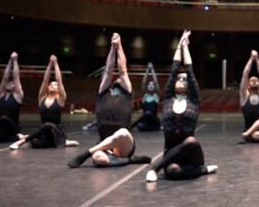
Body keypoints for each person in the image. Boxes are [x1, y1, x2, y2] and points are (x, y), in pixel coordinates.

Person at [67, 33, 150, 168]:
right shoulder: (102, 94)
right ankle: (129, 160)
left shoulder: (127, 95)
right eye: (115, 80)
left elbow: (122, 70)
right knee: (98, 158)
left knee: (122, 133)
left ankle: (85, 154)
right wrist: (112, 47)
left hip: (124, 144)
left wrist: (119, 45)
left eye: (120, 80)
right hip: (105, 142)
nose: (118, 79)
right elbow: (108, 71)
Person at [145, 30, 217, 182]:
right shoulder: (168, 99)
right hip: (171, 153)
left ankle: (154, 168)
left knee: (190, 141)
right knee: (173, 172)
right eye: (179, 79)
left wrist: (186, 48)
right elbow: (174, 70)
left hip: (193, 155)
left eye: (184, 80)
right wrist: (180, 45)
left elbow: (189, 71)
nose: (180, 80)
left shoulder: (194, 101)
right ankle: (201, 171)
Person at [10, 55, 79, 149]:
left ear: (59, 89)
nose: (51, 85)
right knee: (35, 143)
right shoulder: (42, 98)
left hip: (57, 131)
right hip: (45, 132)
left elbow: (59, 80)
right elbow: (45, 80)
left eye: (54, 85)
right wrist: (49, 65)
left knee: (48, 125)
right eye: (50, 84)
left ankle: (21, 142)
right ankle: (63, 143)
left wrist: (55, 63)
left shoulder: (60, 99)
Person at [130, 62, 162, 132]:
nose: (151, 85)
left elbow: (156, 82)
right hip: (146, 122)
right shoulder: (145, 96)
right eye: (149, 84)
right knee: (139, 126)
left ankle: (131, 126)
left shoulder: (156, 96)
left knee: (148, 113)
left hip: (155, 121)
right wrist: (147, 70)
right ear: (147, 87)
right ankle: (157, 129)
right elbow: (143, 82)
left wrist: (152, 69)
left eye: (152, 85)